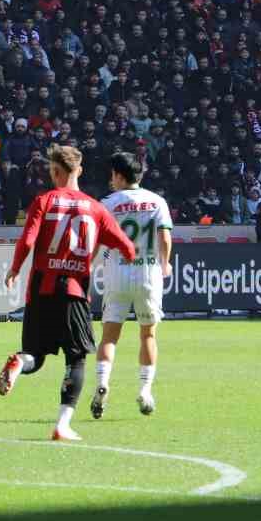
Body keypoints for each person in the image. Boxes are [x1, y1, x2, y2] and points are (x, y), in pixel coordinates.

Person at [0, 146, 136, 442]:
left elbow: (28, 239)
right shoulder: (96, 209)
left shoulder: (44, 201)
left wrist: (14, 269)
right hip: (74, 292)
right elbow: (128, 247)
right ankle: (62, 425)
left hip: (40, 290)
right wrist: (111, 253)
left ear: (55, 172)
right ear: (79, 171)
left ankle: (19, 363)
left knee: (34, 355)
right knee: (76, 359)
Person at [93, 152, 173, 419]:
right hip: (148, 274)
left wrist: (88, 265)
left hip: (117, 273)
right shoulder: (157, 200)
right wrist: (165, 263)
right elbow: (164, 235)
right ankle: (145, 390)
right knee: (148, 334)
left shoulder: (107, 203)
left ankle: (103, 383)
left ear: (118, 175)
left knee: (109, 336)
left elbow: (96, 239)